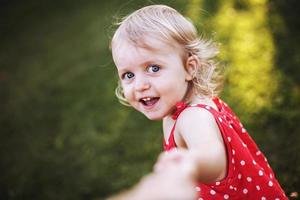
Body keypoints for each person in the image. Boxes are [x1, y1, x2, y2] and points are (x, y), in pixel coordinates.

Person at [110, 4, 288, 199]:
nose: (140, 85)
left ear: (189, 68)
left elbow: (213, 157)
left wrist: (189, 165)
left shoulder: (193, 116)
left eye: (153, 68)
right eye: (128, 74)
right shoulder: (178, 107)